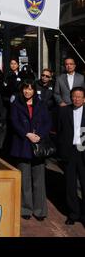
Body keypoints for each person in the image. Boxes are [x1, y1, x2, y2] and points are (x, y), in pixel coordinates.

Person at [10, 79, 51, 221]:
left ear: (34, 90)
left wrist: (39, 136)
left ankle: (40, 210)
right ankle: (25, 208)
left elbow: (48, 122)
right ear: (22, 90)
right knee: (25, 179)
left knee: (39, 180)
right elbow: (14, 122)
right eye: (25, 89)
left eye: (30, 89)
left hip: (38, 145)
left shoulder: (41, 104)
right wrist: (26, 134)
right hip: (23, 145)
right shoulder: (16, 104)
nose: (28, 91)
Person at [57, 87, 85, 226]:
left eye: (79, 97)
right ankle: (73, 214)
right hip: (69, 152)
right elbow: (59, 130)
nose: (76, 99)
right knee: (70, 185)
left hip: (83, 150)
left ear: (84, 99)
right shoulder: (63, 111)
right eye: (74, 96)